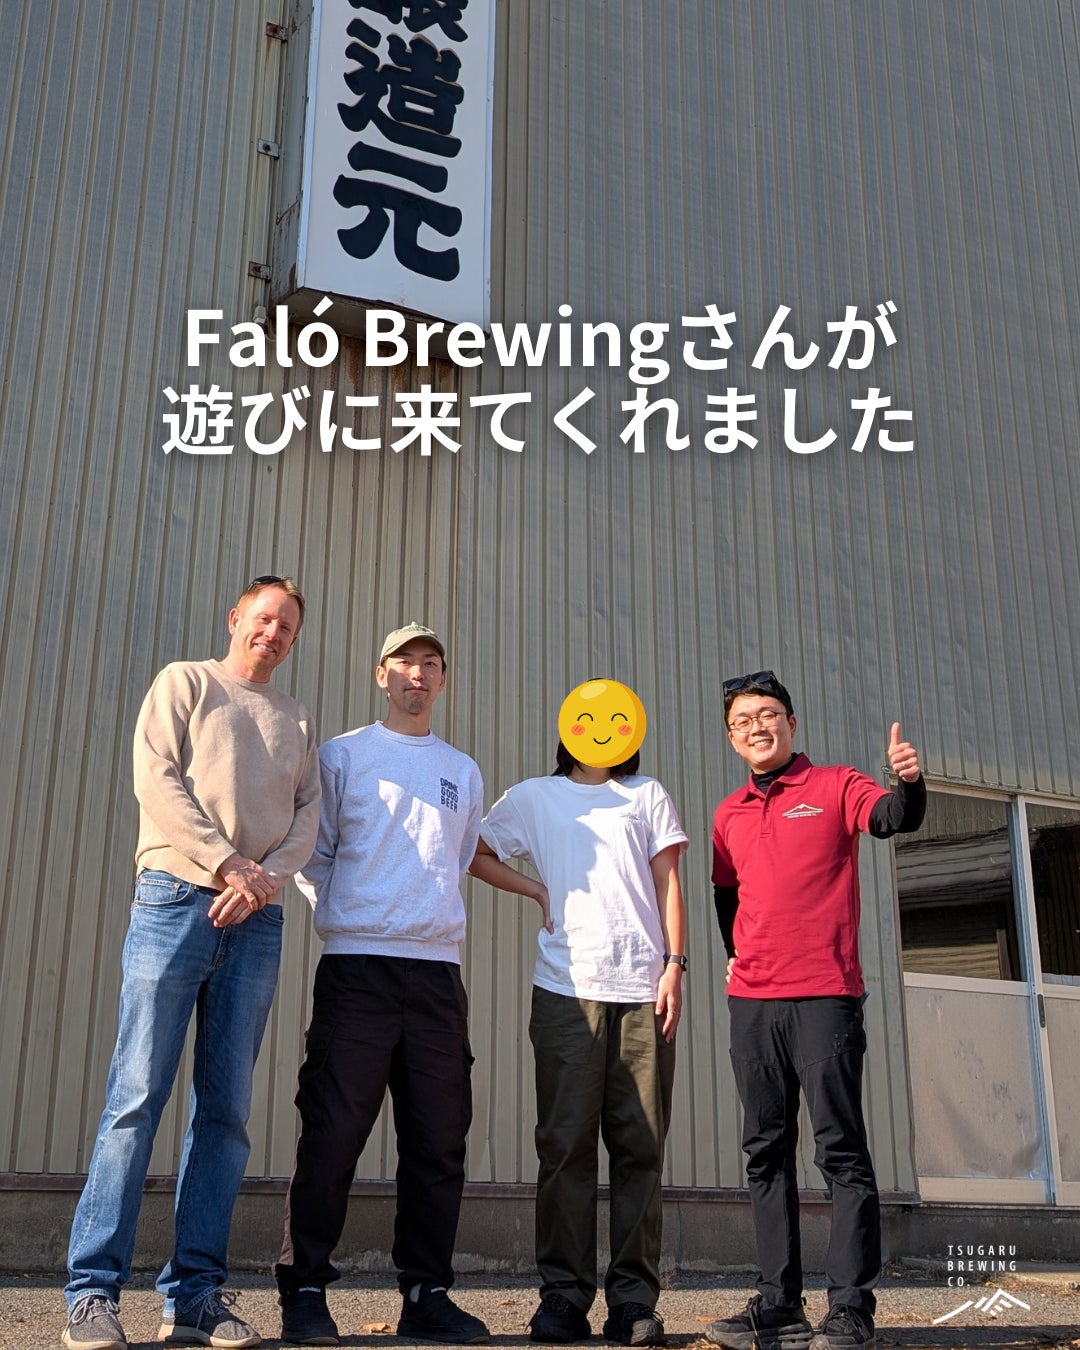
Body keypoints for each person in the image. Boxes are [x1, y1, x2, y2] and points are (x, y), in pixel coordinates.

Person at [63, 576, 320, 1350]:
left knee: (226, 1113)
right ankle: (91, 1293)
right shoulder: (185, 682)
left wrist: (262, 880)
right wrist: (226, 861)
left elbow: (307, 817)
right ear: (236, 617)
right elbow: (157, 778)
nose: (272, 633)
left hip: (258, 919)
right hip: (176, 898)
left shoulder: (297, 718)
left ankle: (196, 1296)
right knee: (136, 1097)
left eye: (287, 627)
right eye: (264, 618)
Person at [275, 623, 487, 1348]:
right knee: (332, 1133)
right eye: (404, 662)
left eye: (430, 663)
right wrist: (352, 912)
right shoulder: (343, 756)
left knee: (438, 1140)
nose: (416, 674)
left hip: (436, 976)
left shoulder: (462, 770)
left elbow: (458, 857)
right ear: (381, 675)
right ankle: (305, 1290)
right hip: (357, 969)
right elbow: (314, 856)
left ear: (442, 679)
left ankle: (426, 1294)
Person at [704, 671, 925, 1350]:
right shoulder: (728, 813)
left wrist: (909, 784)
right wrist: (735, 954)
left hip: (825, 994)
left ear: (791, 723)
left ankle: (851, 1309)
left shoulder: (835, 785)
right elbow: (725, 892)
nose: (757, 727)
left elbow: (891, 819)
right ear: (731, 737)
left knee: (840, 1152)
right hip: (753, 1003)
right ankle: (779, 1304)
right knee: (765, 1152)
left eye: (768, 714)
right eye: (743, 721)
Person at [471, 718, 688, 1348]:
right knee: (564, 1146)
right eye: (588, 723)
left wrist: (675, 965)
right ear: (568, 732)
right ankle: (563, 1296)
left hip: (643, 991)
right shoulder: (534, 797)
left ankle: (633, 1301)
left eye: (615, 723)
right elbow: (475, 851)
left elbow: (669, 882)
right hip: (565, 989)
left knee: (640, 1148)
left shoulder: (645, 794)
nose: (601, 734)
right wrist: (536, 890)